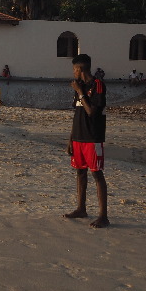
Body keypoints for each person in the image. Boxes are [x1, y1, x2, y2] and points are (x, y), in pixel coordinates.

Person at [63, 53, 109, 228]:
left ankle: (103, 216)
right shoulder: (79, 86)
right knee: (80, 172)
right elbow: (78, 113)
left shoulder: (97, 85)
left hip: (93, 137)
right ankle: (81, 208)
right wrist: (71, 139)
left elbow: (92, 112)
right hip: (78, 137)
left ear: (80, 69)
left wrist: (80, 92)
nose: (73, 73)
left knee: (97, 174)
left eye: (74, 69)